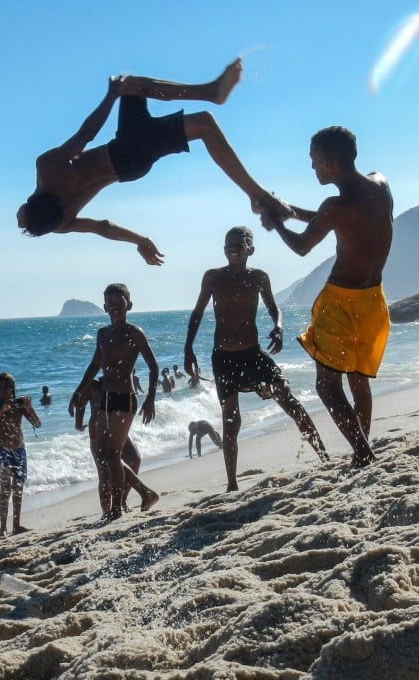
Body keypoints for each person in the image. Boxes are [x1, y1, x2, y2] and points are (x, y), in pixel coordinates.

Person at [17, 59, 292, 264]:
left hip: (130, 163)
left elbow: (103, 227)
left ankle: (210, 92)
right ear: (31, 204)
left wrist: (141, 240)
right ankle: (255, 193)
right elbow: (86, 134)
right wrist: (111, 95)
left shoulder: (61, 223)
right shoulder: (47, 168)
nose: (18, 223)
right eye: (23, 221)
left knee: (134, 86)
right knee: (203, 124)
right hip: (126, 151)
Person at [256, 126, 393, 469]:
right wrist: (288, 209)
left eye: (315, 161)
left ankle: (362, 453)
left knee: (327, 387)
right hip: (374, 299)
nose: (313, 168)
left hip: (341, 303)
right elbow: (333, 217)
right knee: (359, 378)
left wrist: (277, 224)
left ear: (330, 162)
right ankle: (364, 447)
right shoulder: (380, 184)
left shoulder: (334, 205)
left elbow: (303, 246)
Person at [184, 227, 328, 490]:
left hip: (252, 354)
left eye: (240, 243)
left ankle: (324, 456)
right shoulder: (213, 278)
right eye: (229, 244)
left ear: (251, 248)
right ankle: (231, 484)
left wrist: (279, 326)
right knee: (231, 419)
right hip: (223, 358)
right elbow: (197, 313)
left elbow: (274, 307)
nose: (234, 248)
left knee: (287, 396)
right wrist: (188, 349)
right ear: (223, 249)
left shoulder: (259, 277)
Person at [69, 284, 160, 521]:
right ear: (105, 307)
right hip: (107, 400)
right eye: (111, 305)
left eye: (119, 304)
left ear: (128, 305)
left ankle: (120, 507)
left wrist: (150, 398)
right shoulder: (102, 334)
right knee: (108, 454)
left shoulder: (134, 333)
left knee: (110, 454)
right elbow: (94, 365)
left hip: (125, 398)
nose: (115, 308)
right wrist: (79, 392)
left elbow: (153, 365)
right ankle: (140, 496)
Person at [74, 378, 157, 517]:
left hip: (117, 426)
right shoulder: (93, 384)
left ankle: (122, 500)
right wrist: (78, 422)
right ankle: (107, 512)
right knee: (104, 471)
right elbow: (80, 403)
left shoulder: (118, 381)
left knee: (134, 459)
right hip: (97, 428)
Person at [0, 372, 41, 538]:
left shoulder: (19, 407)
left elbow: (37, 424)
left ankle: (16, 525)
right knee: (5, 489)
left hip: (19, 451)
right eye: (0, 387)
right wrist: (1, 412)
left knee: (18, 489)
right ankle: (3, 527)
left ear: (13, 389)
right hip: (3, 451)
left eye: (7, 387)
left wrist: (28, 407)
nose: (3, 390)